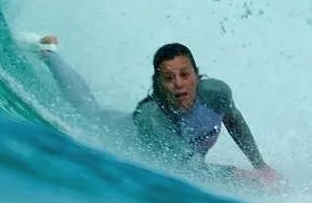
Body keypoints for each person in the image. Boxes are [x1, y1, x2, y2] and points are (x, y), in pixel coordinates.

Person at [25, 33, 280, 186]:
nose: (179, 84)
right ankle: (49, 53)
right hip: (122, 131)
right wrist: (243, 176)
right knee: (87, 109)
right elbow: (190, 169)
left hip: (185, 156)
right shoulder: (153, 119)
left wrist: (261, 166)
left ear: (196, 74)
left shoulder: (216, 93)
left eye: (184, 74)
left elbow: (234, 121)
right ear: (158, 83)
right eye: (169, 78)